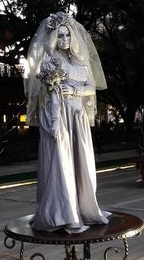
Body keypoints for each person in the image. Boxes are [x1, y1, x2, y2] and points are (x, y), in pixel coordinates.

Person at [24, 12, 110, 234]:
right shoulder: (50, 61)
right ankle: (64, 213)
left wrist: (75, 89)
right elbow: (51, 94)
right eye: (60, 35)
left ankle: (82, 207)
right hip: (58, 116)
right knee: (60, 164)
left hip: (77, 117)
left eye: (67, 35)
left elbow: (92, 87)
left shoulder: (80, 61)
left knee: (81, 163)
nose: (64, 40)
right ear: (54, 37)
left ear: (73, 37)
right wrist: (54, 121)